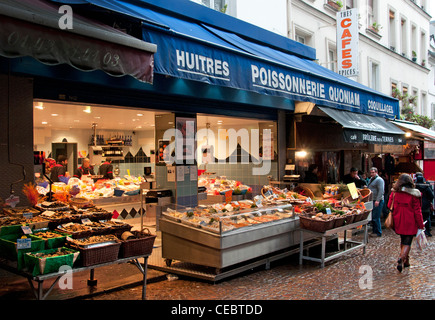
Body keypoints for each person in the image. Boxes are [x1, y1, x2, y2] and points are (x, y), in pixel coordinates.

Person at [387, 174, 424, 272]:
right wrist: (421, 224)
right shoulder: (414, 194)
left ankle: (406, 261)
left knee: (403, 239)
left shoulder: (395, 192)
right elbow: (417, 211)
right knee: (407, 242)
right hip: (410, 220)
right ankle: (401, 257)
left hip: (398, 219)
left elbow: (389, 205)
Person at [367, 167, 385, 237]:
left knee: (376, 216)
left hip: (377, 200)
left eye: (373, 172)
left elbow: (381, 191)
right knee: (373, 216)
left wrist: (378, 200)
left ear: (376, 172)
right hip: (372, 200)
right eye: (371, 172)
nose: (372, 174)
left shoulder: (379, 180)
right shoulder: (371, 179)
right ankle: (374, 231)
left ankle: (378, 232)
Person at [415, 172, 433, 237]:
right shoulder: (427, 186)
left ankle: (417, 231)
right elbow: (431, 196)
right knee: (427, 218)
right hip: (426, 205)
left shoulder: (415, 187)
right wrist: (429, 201)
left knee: (416, 218)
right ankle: (427, 231)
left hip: (417, 205)